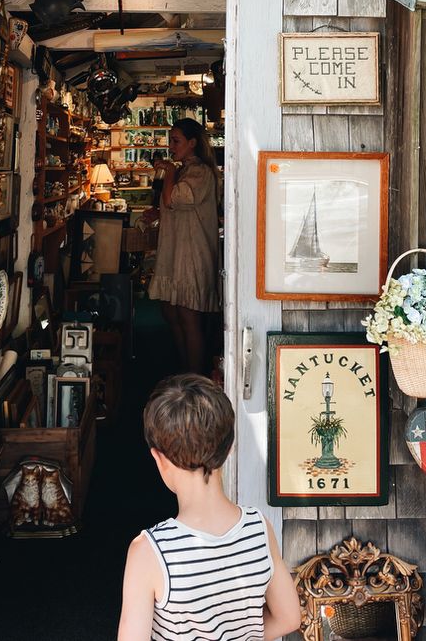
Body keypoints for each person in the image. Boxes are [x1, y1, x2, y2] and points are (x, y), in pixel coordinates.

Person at [118, 374, 301, 641]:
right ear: (229, 449)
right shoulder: (259, 528)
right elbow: (289, 618)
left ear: (159, 458)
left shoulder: (149, 551)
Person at [148, 119, 220, 374]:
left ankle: (195, 376)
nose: (170, 146)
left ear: (192, 143)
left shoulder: (200, 172)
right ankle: (185, 369)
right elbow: (170, 205)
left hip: (192, 253)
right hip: (176, 250)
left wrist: (168, 171)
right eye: (170, 140)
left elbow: (172, 199)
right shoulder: (185, 170)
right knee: (172, 312)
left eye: (176, 140)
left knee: (189, 319)